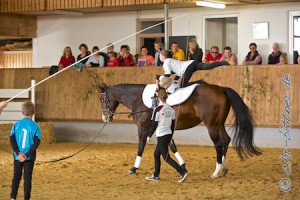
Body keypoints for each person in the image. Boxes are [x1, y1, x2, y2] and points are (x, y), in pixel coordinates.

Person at [146, 89, 188, 183]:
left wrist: (149, 135)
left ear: (158, 98)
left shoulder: (157, 110)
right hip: (168, 134)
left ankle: (182, 171)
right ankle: (156, 175)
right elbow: (173, 125)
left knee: (166, 157)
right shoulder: (172, 109)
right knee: (156, 154)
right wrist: (171, 137)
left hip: (161, 135)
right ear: (166, 97)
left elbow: (154, 124)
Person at [10, 101, 41, 200]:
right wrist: (26, 155)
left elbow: (12, 140)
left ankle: (13, 197)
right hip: (29, 157)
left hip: (17, 157)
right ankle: (26, 198)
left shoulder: (16, 125)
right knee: (27, 179)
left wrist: (18, 153)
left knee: (16, 177)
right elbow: (36, 143)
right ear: (34, 112)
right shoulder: (36, 127)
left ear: (22, 112)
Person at [159, 50, 229, 87]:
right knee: (208, 66)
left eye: (160, 56)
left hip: (188, 67)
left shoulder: (166, 62)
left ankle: (199, 82)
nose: (160, 57)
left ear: (163, 56)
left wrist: (160, 81)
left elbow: (167, 75)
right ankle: (224, 62)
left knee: (184, 85)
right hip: (192, 63)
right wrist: (175, 80)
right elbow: (178, 73)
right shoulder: (170, 60)